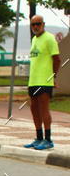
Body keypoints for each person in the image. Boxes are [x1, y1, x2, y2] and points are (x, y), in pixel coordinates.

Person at [23, 15, 61, 150]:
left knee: (44, 109)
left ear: (43, 24)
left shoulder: (49, 38)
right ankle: (38, 138)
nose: (35, 27)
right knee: (34, 109)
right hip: (33, 81)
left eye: (38, 24)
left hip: (45, 81)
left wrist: (53, 77)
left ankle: (48, 139)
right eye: (33, 24)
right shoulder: (34, 39)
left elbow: (57, 60)